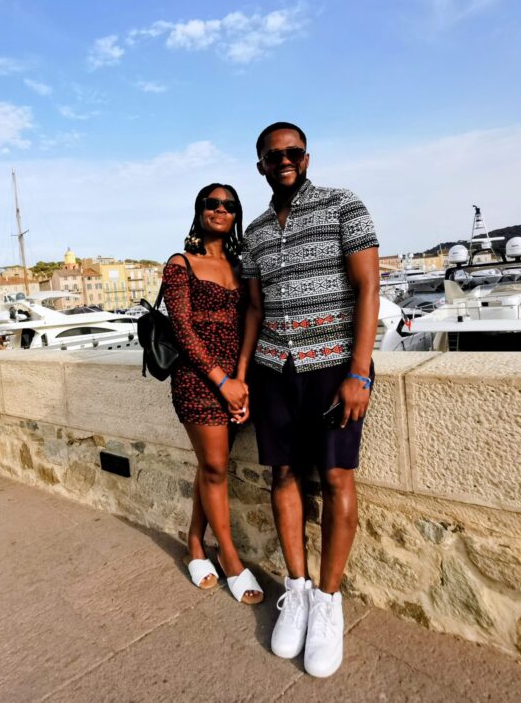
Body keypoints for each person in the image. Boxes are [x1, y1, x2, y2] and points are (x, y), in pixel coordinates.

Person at [236, 122, 380, 677]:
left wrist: (360, 372)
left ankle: (327, 601)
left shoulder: (344, 205)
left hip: (332, 367)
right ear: (261, 167)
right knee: (283, 477)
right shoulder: (253, 233)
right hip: (275, 369)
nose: (284, 160)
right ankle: (295, 591)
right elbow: (254, 308)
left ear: (307, 157)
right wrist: (245, 373)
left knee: (339, 477)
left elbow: (369, 286)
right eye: (274, 156)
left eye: (293, 152)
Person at [162, 183, 263, 605]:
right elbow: (182, 329)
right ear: (200, 210)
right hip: (197, 380)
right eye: (212, 203)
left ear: (237, 213)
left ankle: (194, 543)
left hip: (235, 382)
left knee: (210, 466)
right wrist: (222, 382)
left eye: (229, 205)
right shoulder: (180, 263)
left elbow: (252, 316)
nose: (220, 209)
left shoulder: (242, 266)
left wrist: (240, 381)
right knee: (218, 468)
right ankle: (230, 558)